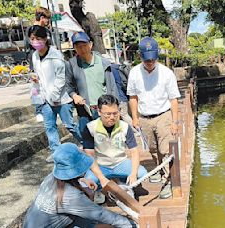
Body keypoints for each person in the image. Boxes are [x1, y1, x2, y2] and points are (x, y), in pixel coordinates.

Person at [23, 143, 136, 228]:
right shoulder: (71, 196)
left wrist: (82, 180)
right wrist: (133, 224)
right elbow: (101, 214)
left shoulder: (50, 178)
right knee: (100, 219)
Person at [127, 37, 181, 199]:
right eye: (147, 59)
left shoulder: (166, 73)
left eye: (153, 59)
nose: (150, 62)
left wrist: (174, 121)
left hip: (163, 115)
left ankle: (168, 180)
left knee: (165, 150)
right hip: (144, 117)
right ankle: (158, 168)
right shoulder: (134, 72)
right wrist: (135, 118)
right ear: (140, 56)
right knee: (151, 148)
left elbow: (173, 99)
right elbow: (133, 97)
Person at [29, 25, 82, 162]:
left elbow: (61, 78)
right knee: (49, 126)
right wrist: (35, 78)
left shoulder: (56, 56)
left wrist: (54, 96)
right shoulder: (34, 56)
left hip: (61, 99)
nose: (35, 41)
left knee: (69, 124)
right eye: (32, 38)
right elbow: (39, 74)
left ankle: (84, 142)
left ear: (45, 39)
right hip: (45, 98)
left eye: (38, 38)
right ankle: (56, 151)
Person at [82, 94, 147, 187]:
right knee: (87, 182)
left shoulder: (125, 126)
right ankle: (102, 187)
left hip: (120, 163)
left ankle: (124, 182)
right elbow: (89, 156)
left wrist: (133, 173)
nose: (112, 117)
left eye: (115, 113)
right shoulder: (90, 128)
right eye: (108, 114)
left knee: (142, 173)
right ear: (99, 112)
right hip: (101, 165)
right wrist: (101, 178)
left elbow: (134, 152)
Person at [65, 31, 121, 135]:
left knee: (107, 138)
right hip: (85, 110)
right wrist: (74, 95)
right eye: (78, 46)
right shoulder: (71, 64)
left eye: (84, 45)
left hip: (104, 109)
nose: (82, 49)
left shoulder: (103, 62)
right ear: (74, 48)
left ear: (90, 44)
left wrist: (115, 107)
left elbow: (112, 86)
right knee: (87, 140)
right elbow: (68, 86)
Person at [25, 7, 52, 122]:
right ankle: (39, 111)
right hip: (36, 64)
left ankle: (48, 107)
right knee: (37, 88)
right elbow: (29, 49)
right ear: (42, 18)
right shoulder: (31, 30)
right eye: (47, 19)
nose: (48, 22)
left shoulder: (46, 31)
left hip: (47, 62)